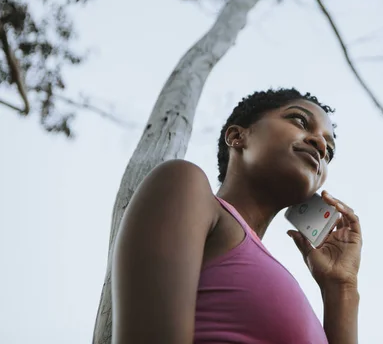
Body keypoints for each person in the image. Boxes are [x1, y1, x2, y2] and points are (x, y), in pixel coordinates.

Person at [111, 88, 363, 344]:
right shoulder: (185, 184)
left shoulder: (283, 276)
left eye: (329, 151)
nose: (320, 146)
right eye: (299, 121)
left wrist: (341, 286)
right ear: (237, 136)